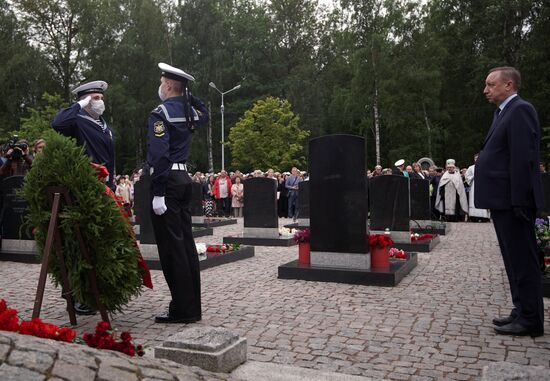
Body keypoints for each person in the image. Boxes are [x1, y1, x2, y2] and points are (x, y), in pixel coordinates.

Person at [475, 66, 544, 337]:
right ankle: (521, 310)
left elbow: (523, 159)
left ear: (509, 86)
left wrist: (519, 201)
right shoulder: (502, 113)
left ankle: (531, 319)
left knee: (523, 260)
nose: (486, 90)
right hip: (503, 201)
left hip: (514, 202)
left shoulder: (521, 110)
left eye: (491, 84)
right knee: (513, 260)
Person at [147, 62, 208, 324]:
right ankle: (191, 306)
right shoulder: (189, 112)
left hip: (168, 181)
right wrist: (188, 95)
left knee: (172, 249)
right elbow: (206, 113)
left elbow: (159, 156)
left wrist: (158, 192)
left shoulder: (159, 113)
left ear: (170, 85)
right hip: (184, 178)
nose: (160, 85)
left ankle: (182, 309)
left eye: (163, 81)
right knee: (185, 246)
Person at [52, 81, 116, 190]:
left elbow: (110, 158)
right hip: (86, 183)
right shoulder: (76, 120)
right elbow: (58, 123)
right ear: (85, 101)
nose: (100, 101)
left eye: (101, 98)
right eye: (96, 98)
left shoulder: (106, 128)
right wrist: (78, 105)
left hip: (106, 186)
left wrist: (111, 185)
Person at [465, 153, 490, 222]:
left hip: (483, 186)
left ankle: (484, 217)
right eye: (475, 158)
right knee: (473, 199)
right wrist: (472, 176)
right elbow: (467, 177)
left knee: (483, 199)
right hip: (473, 186)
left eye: (478, 158)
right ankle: (474, 216)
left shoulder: (485, 166)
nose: (477, 159)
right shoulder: (471, 167)